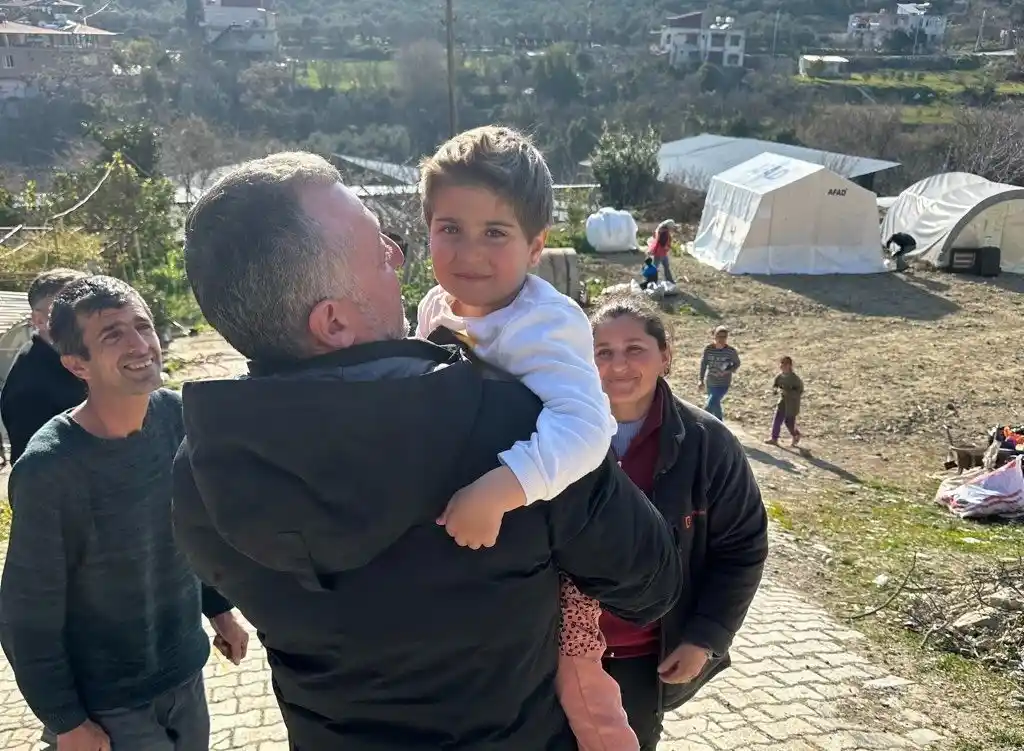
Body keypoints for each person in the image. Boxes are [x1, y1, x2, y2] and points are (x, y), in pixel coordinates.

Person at [175, 151, 683, 750]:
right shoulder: (516, 432)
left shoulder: (198, 472)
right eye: (377, 252)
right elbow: (651, 585)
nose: (398, 255)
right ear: (333, 323)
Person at [414, 125, 631, 750]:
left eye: (495, 233)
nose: (469, 252)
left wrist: (498, 490)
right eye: (450, 228)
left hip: (559, 532)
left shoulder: (545, 321)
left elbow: (587, 427)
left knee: (578, 677)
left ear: (536, 247)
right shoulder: (435, 306)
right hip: (488, 552)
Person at [0, 276, 249, 751]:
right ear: (77, 364)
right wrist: (66, 721)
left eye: (143, 326)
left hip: (184, 670)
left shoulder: (175, 417)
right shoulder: (50, 468)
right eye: (112, 334)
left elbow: (191, 529)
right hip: (108, 704)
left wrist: (219, 610)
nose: (140, 345)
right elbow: (26, 614)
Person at [591, 296, 769, 750]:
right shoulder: (554, 433)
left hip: (640, 658)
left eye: (635, 349)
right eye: (603, 351)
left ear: (665, 356)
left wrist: (705, 637)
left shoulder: (708, 443)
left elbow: (742, 548)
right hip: (550, 652)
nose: (618, 365)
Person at [1, 268, 88, 464]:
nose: (83, 318)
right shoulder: (29, 389)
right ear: (39, 320)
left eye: (88, 307)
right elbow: (31, 469)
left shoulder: (77, 358)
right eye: (69, 311)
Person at [699, 325, 740, 421]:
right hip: (710, 382)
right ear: (714, 336)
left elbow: (737, 363)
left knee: (710, 405)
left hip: (723, 384)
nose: (721, 339)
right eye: (719, 336)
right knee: (716, 405)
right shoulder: (708, 349)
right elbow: (703, 364)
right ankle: (720, 424)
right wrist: (700, 380)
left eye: (724, 337)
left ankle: (699, 422)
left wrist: (727, 371)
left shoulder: (730, 351)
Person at [767, 356, 803, 447]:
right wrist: (775, 390)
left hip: (792, 404)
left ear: (790, 365)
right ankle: (774, 438)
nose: (783, 365)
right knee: (777, 419)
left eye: (785, 363)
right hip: (782, 402)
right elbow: (775, 385)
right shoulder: (780, 377)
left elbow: (799, 391)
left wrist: (789, 392)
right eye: (782, 363)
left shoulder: (795, 379)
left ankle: (796, 435)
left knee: (789, 423)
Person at [647, 220, 676, 284]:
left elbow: (657, 238)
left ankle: (669, 280)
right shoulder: (664, 232)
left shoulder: (662, 230)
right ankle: (651, 280)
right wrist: (667, 247)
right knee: (656, 267)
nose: (672, 228)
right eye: (672, 227)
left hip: (662, 253)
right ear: (669, 226)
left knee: (665, 266)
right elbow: (662, 243)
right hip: (660, 253)